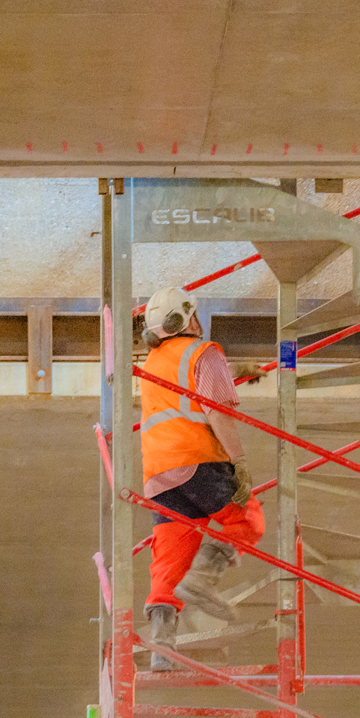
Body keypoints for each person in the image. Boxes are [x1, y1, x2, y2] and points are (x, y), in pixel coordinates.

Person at [136, 287, 266, 671]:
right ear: (189, 318)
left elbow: (185, 394)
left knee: (168, 562)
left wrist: (235, 370)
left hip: (160, 476)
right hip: (199, 462)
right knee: (247, 519)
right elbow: (215, 409)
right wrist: (239, 462)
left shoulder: (152, 363)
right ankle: (202, 581)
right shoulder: (204, 352)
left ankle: (162, 650)